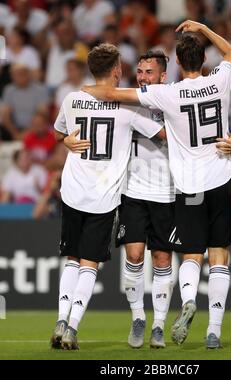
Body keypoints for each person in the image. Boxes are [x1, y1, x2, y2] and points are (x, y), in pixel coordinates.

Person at [83, 20, 231, 349]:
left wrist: (79, 93)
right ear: (205, 60)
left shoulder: (165, 95)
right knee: (216, 256)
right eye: (138, 71)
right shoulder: (219, 80)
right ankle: (208, 328)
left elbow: (110, 92)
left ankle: (167, 317)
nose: (142, 77)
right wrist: (203, 27)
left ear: (171, 68)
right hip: (214, 180)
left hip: (181, 188)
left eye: (148, 72)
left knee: (186, 256)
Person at [50, 43, 164, 350]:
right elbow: (164, 134)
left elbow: (59, 133)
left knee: (72, 260)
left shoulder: (73, 98)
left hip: (73, 191)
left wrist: (67, 143)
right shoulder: (129, 108)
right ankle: (72, 327)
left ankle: (61, 320)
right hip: (103, 197)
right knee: (89, 264)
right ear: (117, 70)